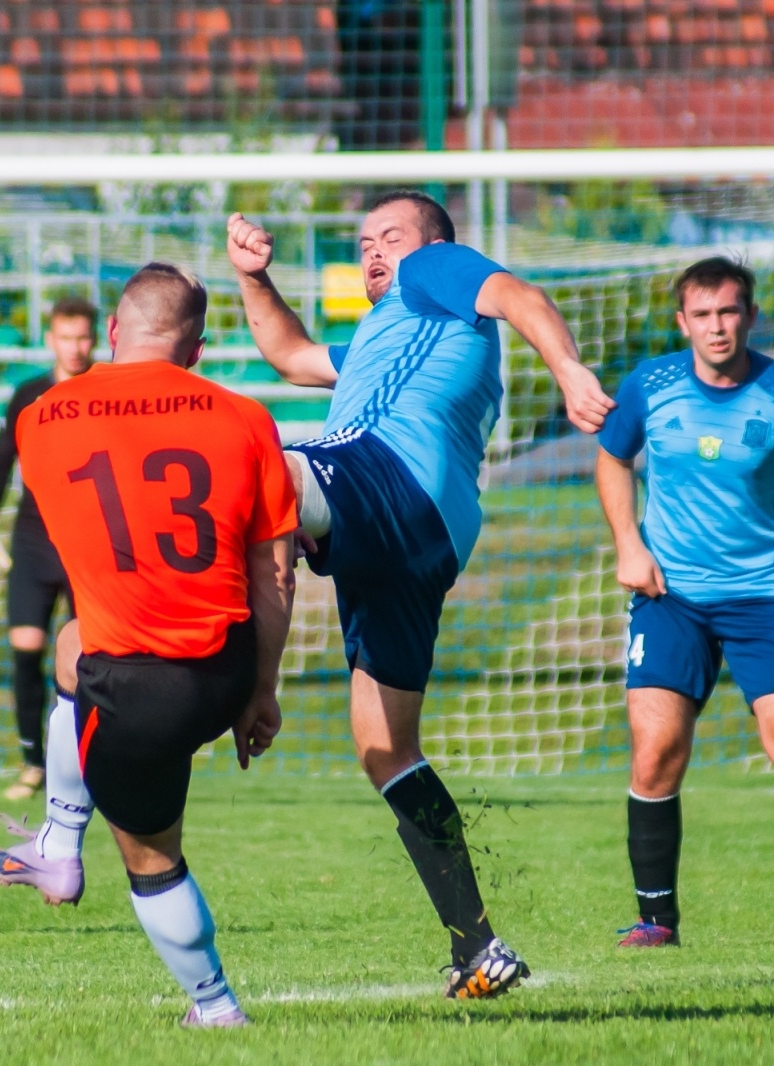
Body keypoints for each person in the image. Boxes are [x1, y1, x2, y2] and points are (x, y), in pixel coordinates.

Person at [225, 192, 614, 999]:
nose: (373, 251)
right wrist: (253, 279)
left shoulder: (433, 274)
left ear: (433, 244)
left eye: (389, 237)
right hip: (421, 533)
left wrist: (568, 368)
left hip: (390, 479)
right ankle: (478, 945)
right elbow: (291, 357)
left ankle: (195, 681)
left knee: (254, 466)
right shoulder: (390, 331)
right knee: (384, 748)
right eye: (364, 241)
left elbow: (520, 296)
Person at [0, 263, 297, 1028]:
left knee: (152, 858)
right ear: (197, 350)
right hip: (222, 668)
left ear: (113, 332)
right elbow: (276, 572)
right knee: (69, 643)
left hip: (134, 685)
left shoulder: (41, 418)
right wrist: (261, 690)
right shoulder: (247, 418)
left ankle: (215, 1009)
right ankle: (57, 839)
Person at [595, 256, 774, 948]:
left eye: (728, 312)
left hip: (761, 596)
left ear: (750, 316)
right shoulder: (649, 384)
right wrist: (628, 544)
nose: (717, 326)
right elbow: (613, 458)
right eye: (703, 314)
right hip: (669, 595)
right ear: (682, 321)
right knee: (656, 749)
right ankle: (656, 921)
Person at [0, 296, 99, 801]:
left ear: (96, 338)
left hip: (89, 542)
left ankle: (90, 762)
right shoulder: (28, 395)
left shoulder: (106, 391)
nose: (75, 347)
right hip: (33, 540)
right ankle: (33, 763)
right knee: (26, 648)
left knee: (91, 659)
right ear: (50, 340)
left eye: (83, 337)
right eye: (66, 337)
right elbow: (3, 459)